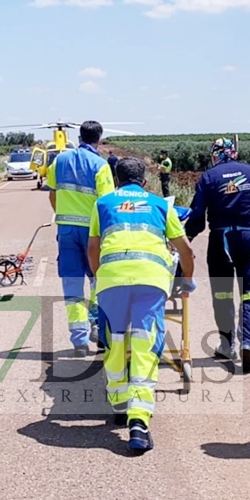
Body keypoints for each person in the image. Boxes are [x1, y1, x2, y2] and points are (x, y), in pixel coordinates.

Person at [89, 157, 196, 453]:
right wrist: (187, 279)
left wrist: (101, 278)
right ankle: (139, 420)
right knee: (145, 344)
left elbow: (93, 248)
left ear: (116, 179)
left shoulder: (102, 203)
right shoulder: (161, 205)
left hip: (111, 278)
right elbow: (184, 248)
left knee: (115, 341)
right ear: (145, 181)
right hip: (151, 279)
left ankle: (119, 403)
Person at [184, 137, 250, 373]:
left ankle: (227, 344)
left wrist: (186, 239)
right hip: (249, 238)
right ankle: (249, 342)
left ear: (215, 155)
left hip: (220, 240)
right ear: (233, 153)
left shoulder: (208, 177)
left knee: (222, 294)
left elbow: (197, 216)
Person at [47, 121, 115, 356]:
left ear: (79, 136)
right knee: (98, 279)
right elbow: (106, 204)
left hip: (66, 229)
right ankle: (97, 327)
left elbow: (53, 195)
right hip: (92, 232)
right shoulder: (100, 165)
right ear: (100, 138)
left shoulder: (59, 160)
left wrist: (63, 216)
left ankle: (78, 340)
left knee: (72, 283)